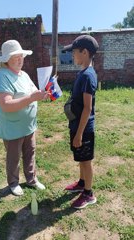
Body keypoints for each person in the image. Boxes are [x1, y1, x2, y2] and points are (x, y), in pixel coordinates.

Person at [0, 40, 49, 196]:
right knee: (14, 157)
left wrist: (42, 94)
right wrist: (32, 98)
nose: (20, 60)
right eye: (15, 57)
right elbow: (6, 105)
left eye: (21, 56)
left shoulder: (24, 75)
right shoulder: (2, 76)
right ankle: (13, 183)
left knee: (30, 153)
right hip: (12, 127)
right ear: (6, 60)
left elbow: (34, 91)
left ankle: (31, 179)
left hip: (28, 125)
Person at [62, 35, 99, 209]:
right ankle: (82, 183)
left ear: (84, 52)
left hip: (84, 129)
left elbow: (87, 108)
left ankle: (88, 193)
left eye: (74, 52)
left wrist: (79, 134)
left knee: (86, 161)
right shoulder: (83, 73)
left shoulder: (88, 76)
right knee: (81, 158)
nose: (72, 55)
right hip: (77, 125)